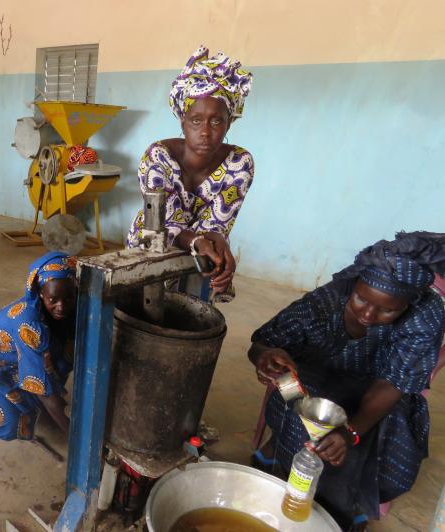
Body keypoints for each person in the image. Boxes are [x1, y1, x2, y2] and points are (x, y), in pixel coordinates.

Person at [249, 232, 445, 529]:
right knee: (300, 402)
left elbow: (392, 384)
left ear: (409, 303)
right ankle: (280, 462)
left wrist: (350, 432)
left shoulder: (426, 315)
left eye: (387, 309)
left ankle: (338, 508)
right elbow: (262, 342)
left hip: (383, 391)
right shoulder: (329, 298)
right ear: (354, 284)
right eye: (360, 299)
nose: (367, 314)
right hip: (318, 376)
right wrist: (266, 357)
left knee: (371, 432)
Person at [126, 45, 254, 300]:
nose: (205, 131)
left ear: (229, 123)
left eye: (216, 121)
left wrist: (221, 247)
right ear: (182, 121)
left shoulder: (239, 163)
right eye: (196, 120)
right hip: (151, 247)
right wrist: (198, 241)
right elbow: (163, 224)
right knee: (141, 308)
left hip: (201, 252)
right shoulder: (158, 157)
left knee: (192, 309)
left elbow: (217, 225)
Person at [0, 252, 77, 441]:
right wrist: (78, 440)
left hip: (19, 362)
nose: (61, 306)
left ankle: (36, 397)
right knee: (6, 419)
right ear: (41, 293)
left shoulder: (72, 308)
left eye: (68, 298)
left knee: (65, 352)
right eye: (53, 300)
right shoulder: (27, 323)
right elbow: (46, 396)